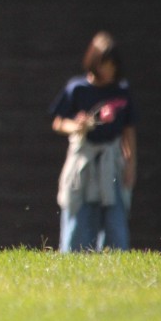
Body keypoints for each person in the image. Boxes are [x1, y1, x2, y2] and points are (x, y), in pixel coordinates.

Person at [50, 31, 137, 252]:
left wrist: (130, 163)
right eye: (104, 64)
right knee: (79, 219)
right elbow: (58, 122)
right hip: (84, 162)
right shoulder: (78, 88)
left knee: (115, 222)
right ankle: (72, 258)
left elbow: (128, 129)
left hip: (111, 161)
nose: (109, 70)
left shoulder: (121, 90)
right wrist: (76, 126)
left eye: (112, 65)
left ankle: (115, 261)